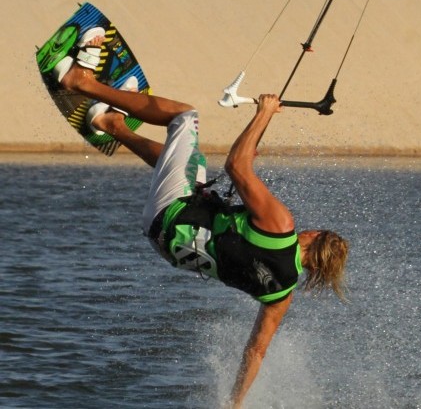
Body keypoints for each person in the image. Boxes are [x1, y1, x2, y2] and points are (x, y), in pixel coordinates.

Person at [53, 31, 349, 408]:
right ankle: (113, 125)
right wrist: (234, 404)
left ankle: (82, 82)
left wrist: (263, 113)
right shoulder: (281, 294)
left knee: (184, 117)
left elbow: (237, 164)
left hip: (173, 211)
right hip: (165, 243)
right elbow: (255, 353)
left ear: (316, 238)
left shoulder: (281, 227)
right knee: (194, 173)